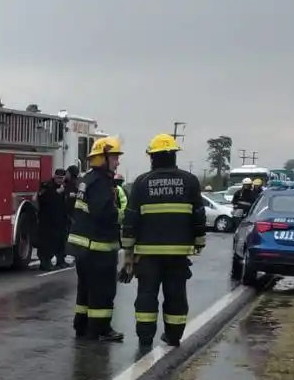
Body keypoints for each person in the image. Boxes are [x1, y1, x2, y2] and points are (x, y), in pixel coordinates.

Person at [121, 133, 207, 347]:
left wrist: (128, 252)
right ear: (174, 156)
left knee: (147, 295)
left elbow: (131, 219)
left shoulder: (141, 182)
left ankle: (145, 338)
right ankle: (173, 335)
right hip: (178, 254)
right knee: (176, 294)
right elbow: (198, 215)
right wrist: (199, 241)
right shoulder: (190, 181)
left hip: (148, 254)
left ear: (153, 157)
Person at [68, 136, 124, 342]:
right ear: (104, 157)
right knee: (103, 290)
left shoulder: (87, 179)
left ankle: (82, 325)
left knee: (85, 289)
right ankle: (100, 328)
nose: (118, 162)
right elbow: (105, 214)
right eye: (115, 157)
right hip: (98, 248)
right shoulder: (101, 182)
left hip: (83, 248)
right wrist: (122, 215)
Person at [36, 169, 71, 270]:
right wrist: (55, 193)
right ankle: (45, 263)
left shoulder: (65, 186)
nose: (59, 180)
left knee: (60, 241)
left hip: (61, 219)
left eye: (62, 178)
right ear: (54, 177)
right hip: (47, 220)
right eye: (58, 178)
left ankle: (60, 261)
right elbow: (42, 199)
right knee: (46, 243)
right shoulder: (47, 186)